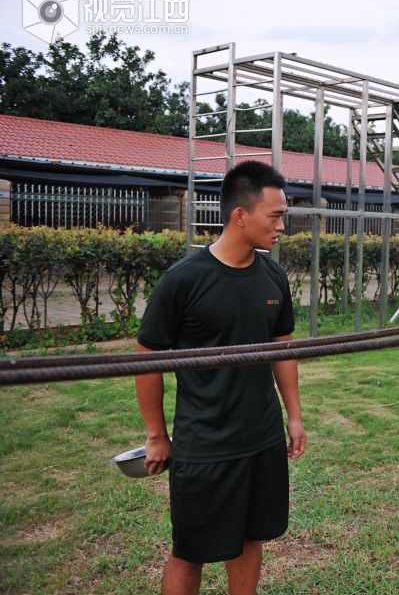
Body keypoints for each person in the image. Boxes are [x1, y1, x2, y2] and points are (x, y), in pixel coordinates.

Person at [135, 161, 306, 595]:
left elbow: (282, 350)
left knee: (251, 538)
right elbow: (147, 358)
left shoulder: (273, 276)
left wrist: (294, 416)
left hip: (261, 437)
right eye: (276, 215)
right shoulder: (184, 281)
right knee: (190, 549)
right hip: (205, 443)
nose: (282, 225)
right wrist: (156, 433)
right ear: (240, 215)